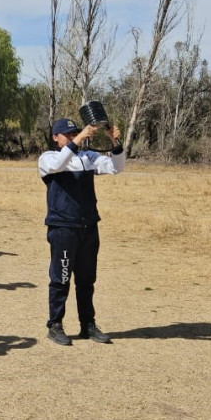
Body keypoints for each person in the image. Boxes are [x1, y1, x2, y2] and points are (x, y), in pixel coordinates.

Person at [37, 118, 124, 346]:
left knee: (86, 280)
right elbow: (58, 164)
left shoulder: (88, 158)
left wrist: (115, 143)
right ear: (55, 137)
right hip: (63, 228)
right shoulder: (48, 158)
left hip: (88, 227)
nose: (73, 135)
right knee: (61, 279)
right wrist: (77, 141)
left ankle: (88, 325)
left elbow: (116, 167)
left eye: (75, 132)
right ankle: (55, 325)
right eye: (67, 133)